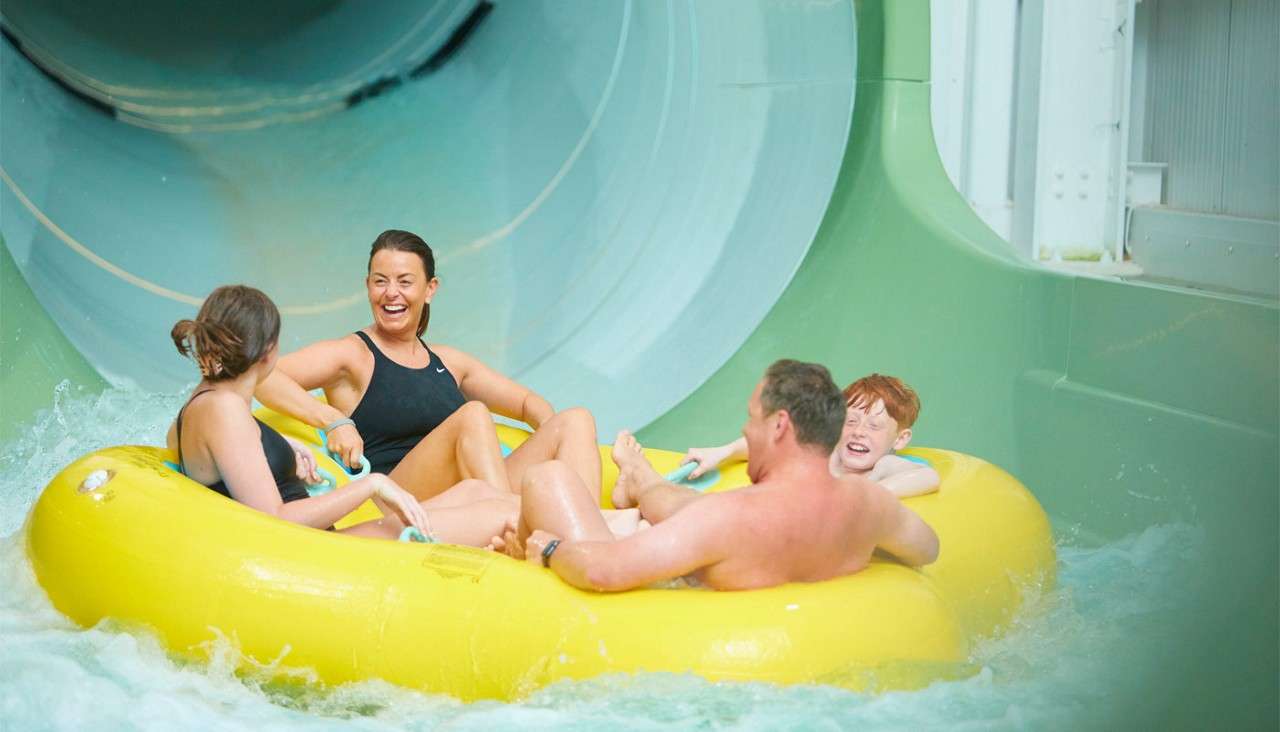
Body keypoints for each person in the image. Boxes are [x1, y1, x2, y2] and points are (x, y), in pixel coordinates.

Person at [494, 360, 940, 592]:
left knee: (548, 478)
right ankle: (643, 480)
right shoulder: (870, 505)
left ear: (780, 426)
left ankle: (638, 482)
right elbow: (927, 549)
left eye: (751, 419)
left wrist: (551, 549)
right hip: (747, 565)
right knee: (674, 507)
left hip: (649, 615)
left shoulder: (730, 517)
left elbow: (603, 573)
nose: (746, 430)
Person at [254, 229, 602, 510]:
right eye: (380, 281)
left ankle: (588, 529)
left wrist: (547, 437)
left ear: (429, 289)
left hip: (474, 489)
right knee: (473, 415)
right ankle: (509, 526)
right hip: (404, 494)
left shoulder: (449, 361)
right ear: (367, 286)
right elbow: (262, 376)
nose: (391, 294)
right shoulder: (353, 355)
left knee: (575, 420)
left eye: (405, 282)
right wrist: (333, 419)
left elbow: (527, 403)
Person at [167, 284, 515, 545]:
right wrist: (372, 484)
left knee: (478, 492)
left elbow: (214, 454)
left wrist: (275, 444)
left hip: (325, 546)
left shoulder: (203, 404)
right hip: (325, 555)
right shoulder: (226, 410)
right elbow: (275, 519)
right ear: (268, 353)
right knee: (506, 512)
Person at [682, 373, 940, 498]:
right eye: (851, 421)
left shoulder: (883, 466)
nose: (860, 432)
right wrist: (721, 452)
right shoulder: (826, 452)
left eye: (874, 426)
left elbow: (927, 476)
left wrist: (867, 494)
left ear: (900, 439)